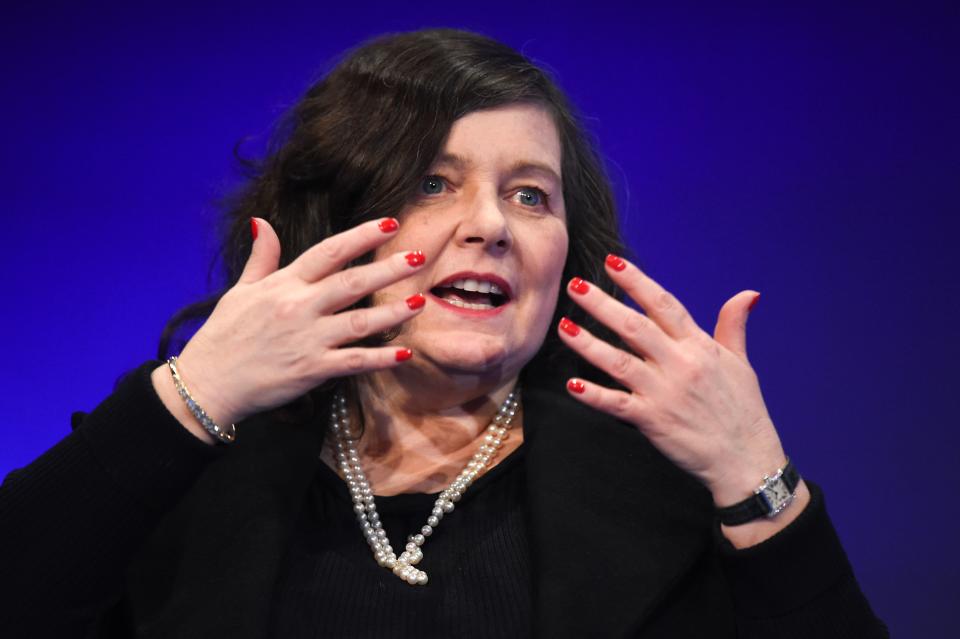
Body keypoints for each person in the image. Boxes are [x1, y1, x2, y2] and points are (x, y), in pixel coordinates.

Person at [0, 29, 885, 637]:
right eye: (433, 182)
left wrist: (755, 476)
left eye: (530, 193)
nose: (490, 224)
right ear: (338, 220)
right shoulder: (190, 448)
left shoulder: (666, 477)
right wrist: (192, 399)